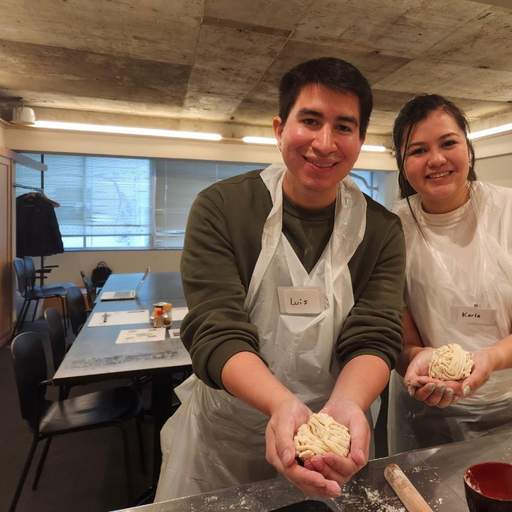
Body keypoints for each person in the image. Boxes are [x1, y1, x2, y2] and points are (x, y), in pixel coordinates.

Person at [155, 57, 405, 501]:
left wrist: (346, 406)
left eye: (344, 127)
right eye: (310, 120)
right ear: (279, 128)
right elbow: (216, 327)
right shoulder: (222, 208)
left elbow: (375, 332)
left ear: (361, 139)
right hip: (229, 430)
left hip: (334, 437)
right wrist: (280, 404)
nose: (324, 143)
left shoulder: (382, 229)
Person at [387, 94, 512, 454]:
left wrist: (487, 359)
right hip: (432, 407)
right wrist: (416, 359)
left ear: (468, 148)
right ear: (402, 163)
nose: (436, 159)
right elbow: (405, 342)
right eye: (418, 150)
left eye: (448, 143)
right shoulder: (392, 228)